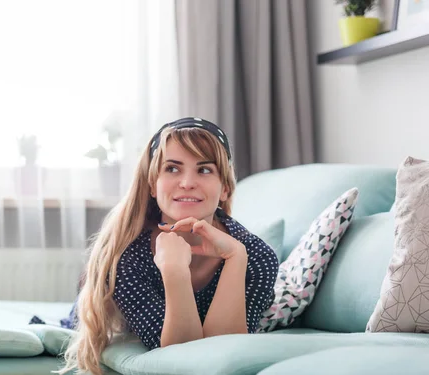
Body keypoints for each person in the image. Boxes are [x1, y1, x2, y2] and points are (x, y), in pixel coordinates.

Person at [54, 117, 279, 375]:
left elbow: (221, 352)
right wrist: (174, 271)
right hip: (100, 310)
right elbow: (181, 355)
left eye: (204, 170)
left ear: (225, 188)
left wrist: (236, 256)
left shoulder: (257, 257)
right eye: (172, 168)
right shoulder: (124, 257)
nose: (187, 183)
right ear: (152, 185)